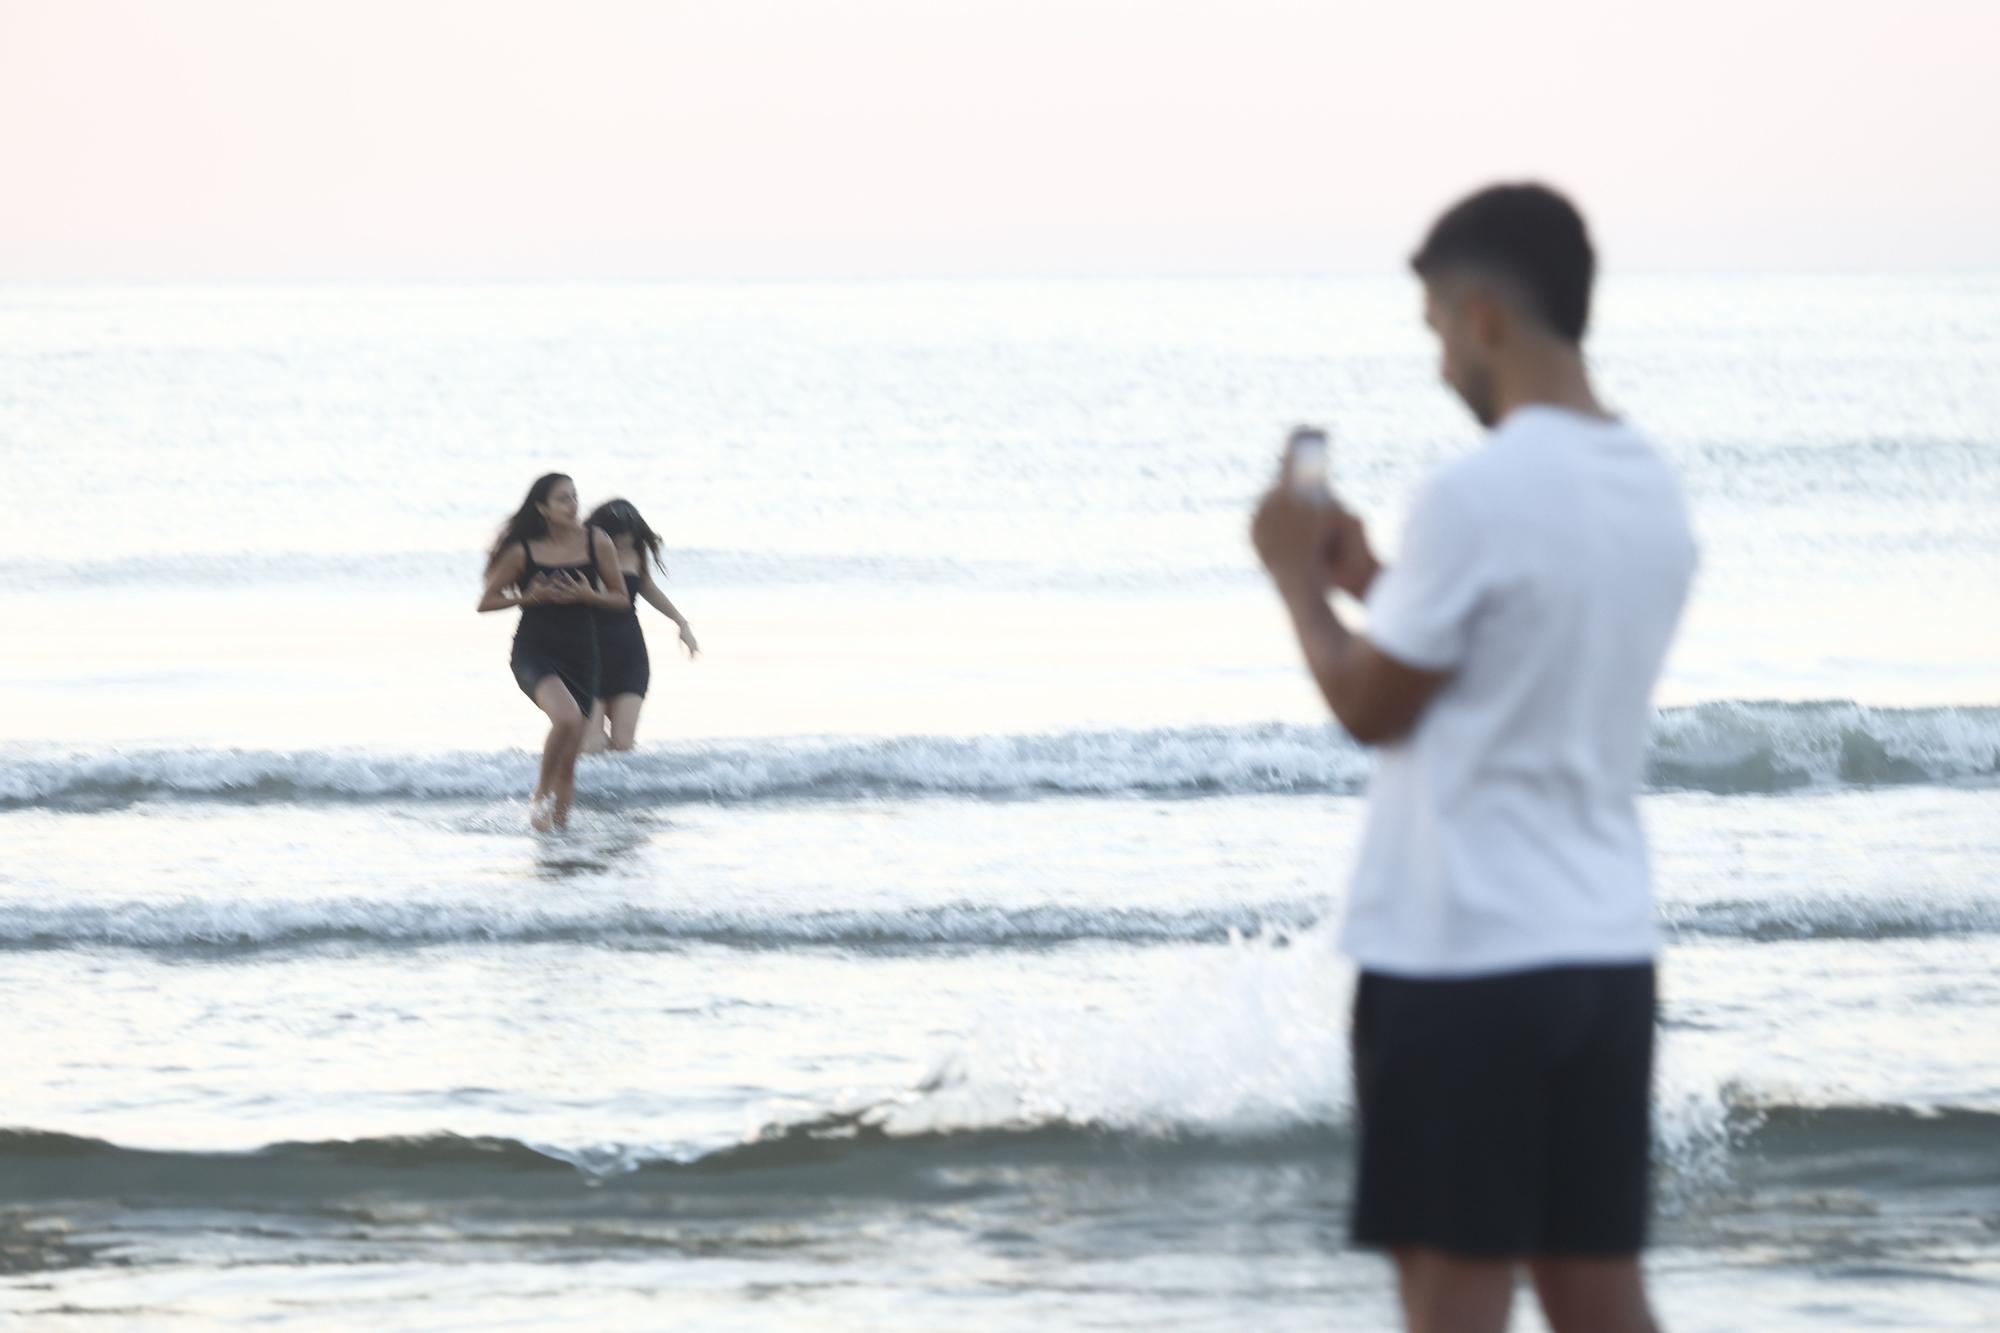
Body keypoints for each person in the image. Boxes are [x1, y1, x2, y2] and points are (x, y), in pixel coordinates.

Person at [1251, 183, 1697, 1333]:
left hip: (1460, 956)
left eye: (1438, 327)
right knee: (1595, 1291)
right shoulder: (1647, 487)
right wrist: (1368, 583)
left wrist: (1295, 581)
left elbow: (1368, 704)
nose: (1440, 357)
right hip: (1599, 950)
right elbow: (1514, 649)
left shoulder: (1473, 492)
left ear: (1486, 313)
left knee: (1451, 1296)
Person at [476, 472, 628, 830]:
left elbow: (620, 598)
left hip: (582, 653)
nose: (572, 505)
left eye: (575, 497)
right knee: (567, 718)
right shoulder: (522, 551)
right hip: (534, 651)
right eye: (563, 499)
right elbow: (486, 602)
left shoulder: (597, 542)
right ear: (542, 508)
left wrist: (588, 596)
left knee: (569, 758)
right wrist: (532, 597)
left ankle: (555, 835)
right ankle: (539, 795)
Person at [578, 498, 699, 753]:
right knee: (592, 744)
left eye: (629, 537)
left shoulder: (635, 552)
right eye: (619, 537)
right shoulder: (582, 551)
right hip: (587, 653)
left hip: (628, 653)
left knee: (623, 743)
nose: (624, 543)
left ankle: (618, 792)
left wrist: (681, 623)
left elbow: (646, 587)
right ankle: (579, 788)